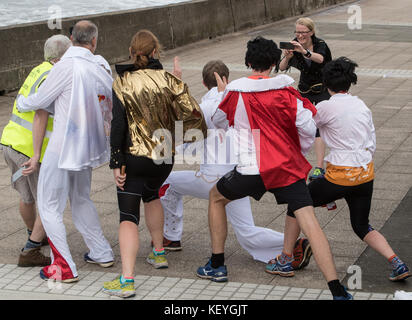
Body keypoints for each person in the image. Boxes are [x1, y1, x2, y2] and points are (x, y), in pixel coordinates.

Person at [197, 36, 352, 300]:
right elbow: (306, 126)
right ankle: (337, 290)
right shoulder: (288, 92)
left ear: (248, 62)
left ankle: (217, 264)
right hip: (285, 167)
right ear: (273, 63)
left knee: (216, 197)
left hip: (250, 168)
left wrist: (224, 95)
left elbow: (218, 120)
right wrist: (295, 150)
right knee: (311, 224)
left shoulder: (235, 93)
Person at [159, 60, 312, 268]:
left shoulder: (202, 107)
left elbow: (187, 145)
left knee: (165, 182)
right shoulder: (241, 99)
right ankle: (292, 243)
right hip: (238, 176)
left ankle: (171, 236)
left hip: (209, 178)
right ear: (227, 79)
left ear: (204, 84)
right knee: (247, 233)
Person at [102, 29, 207, 298]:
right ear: (155, 52)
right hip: (164, 158)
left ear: (131, 52)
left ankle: (127, 281)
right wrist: (178, 82)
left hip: (134, 158)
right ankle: (158, 253)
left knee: (127, 217)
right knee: (152, 196)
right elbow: (192, 113)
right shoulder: (167, 80)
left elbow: (118, 125)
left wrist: (116, 160)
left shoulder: (123, 82)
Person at [16, 20, 115, 283]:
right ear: (94, 41)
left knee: (49, 205)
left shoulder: (65, 67)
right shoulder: (102, 66)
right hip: (89, 146)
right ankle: (101, 252)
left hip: (62, 148)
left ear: (71, 38)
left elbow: (40, 101)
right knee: (81, 199)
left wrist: (21, 100)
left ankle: (64, 266)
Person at [306, 57, 410, 282]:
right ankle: (396, 261)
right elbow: (371, 141)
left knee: (298, 203)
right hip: (365, 174)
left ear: (325, 83)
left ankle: (287, 257)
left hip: (340, 175)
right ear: (349, 82)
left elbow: (307, 128)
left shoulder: (325, 106)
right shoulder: (361, 105)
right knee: (361, 225)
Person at [0, 35, 72, 267]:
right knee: (49, 201)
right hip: (29, 150)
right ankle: (31, 248)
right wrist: (37, 154)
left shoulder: (38, 70)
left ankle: (35, 235)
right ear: (61, 57)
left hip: (11, 142)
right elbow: (41, 113)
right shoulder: (53, 75)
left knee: (27, 197)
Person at [279, 17, 332, 181]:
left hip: (321, 87)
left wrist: (304, 52)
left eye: (303, 32)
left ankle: (319, 167)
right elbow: (281, 68)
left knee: (319, 126)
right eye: (297, 32)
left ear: (311, 32)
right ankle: (294, 163)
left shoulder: (320, 44)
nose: (300, 35)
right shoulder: (294, 44)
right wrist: (287, 56)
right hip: (304, 89)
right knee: (296, 124)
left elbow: (322, 59)